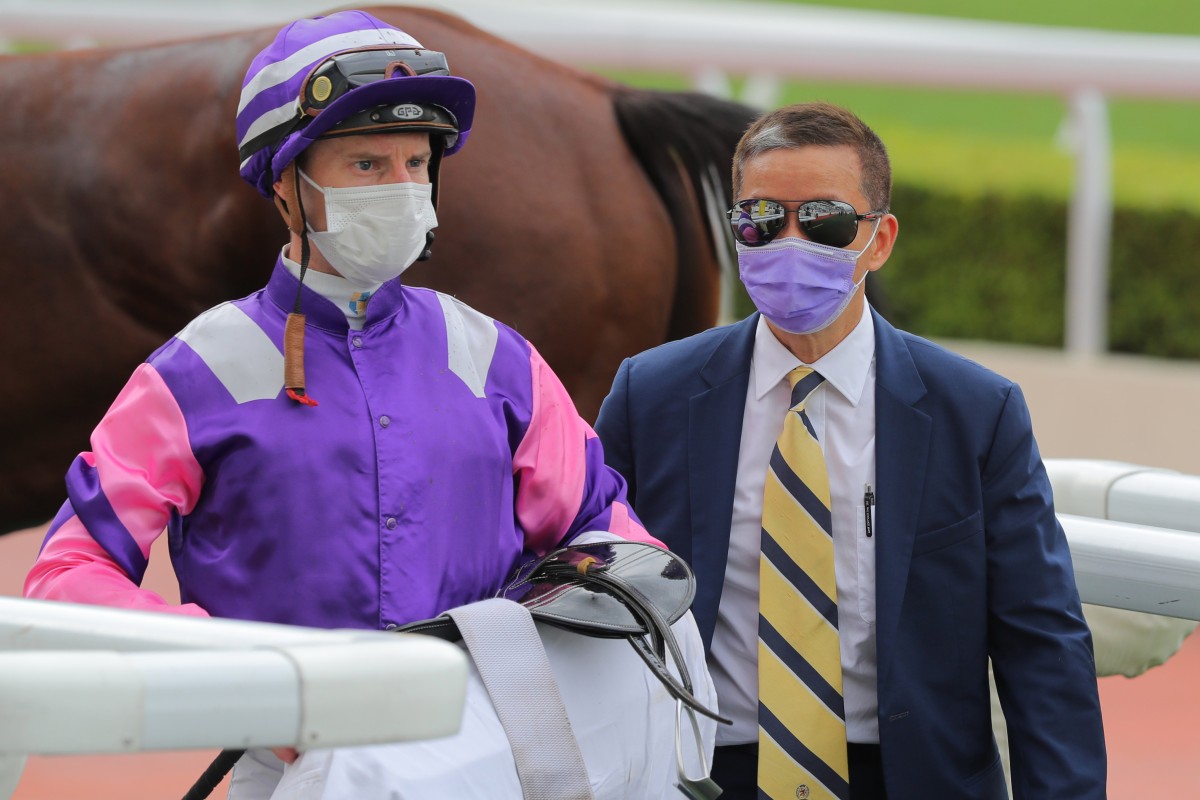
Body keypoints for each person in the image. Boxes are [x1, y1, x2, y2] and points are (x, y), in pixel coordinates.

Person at [24, 9, 657, 689]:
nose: (402, 188)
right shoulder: (196, 372)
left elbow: (609, 537)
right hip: (288, 760)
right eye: (366, 163)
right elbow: (67, 572)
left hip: (485, 751)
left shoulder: (495, 357)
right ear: (284, 182)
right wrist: (225, 667)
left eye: (416, 162)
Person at [594, 102, 1107, 800]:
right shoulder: (649, 395)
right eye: (762, 220)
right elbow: (600, 601)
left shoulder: (977, 412)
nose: (790, 242)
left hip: (908, 779)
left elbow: (1041, 643)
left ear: (880, 239)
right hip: (702, 775)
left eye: (826, 220)